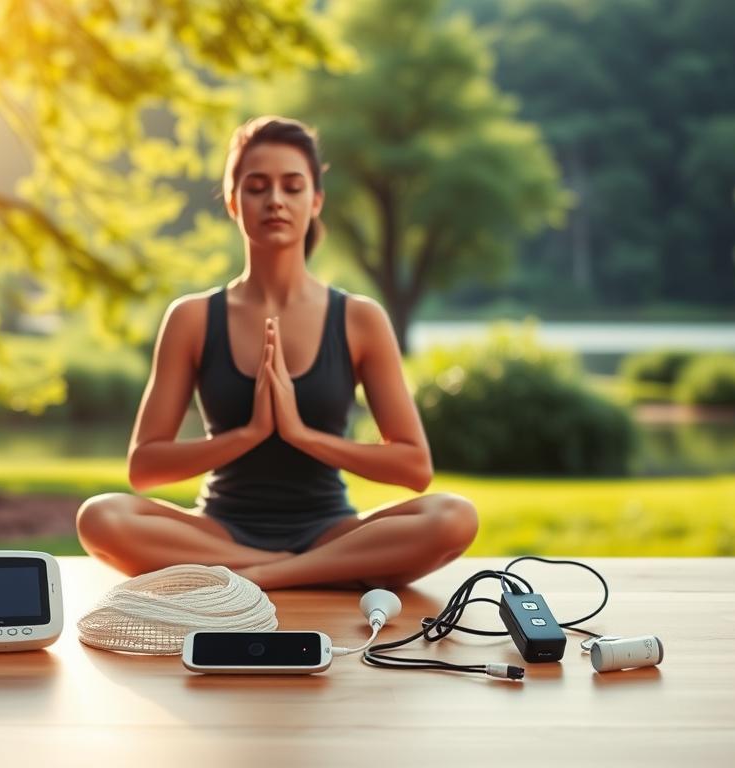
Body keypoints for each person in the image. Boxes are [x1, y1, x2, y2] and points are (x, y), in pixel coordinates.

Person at [75, 116, 478, 590]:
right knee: (100, 517)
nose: (275, 201)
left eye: (292, 186)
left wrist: (301, 434)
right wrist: (251, 433)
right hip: (220, 530)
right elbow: (145, 467)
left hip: (331, 530)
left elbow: (414, 467)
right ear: (232, 201)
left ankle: (260, 577)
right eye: (257, 187)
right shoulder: (193, 318)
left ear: (316, 201)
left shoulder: (359, 319)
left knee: (454, 517)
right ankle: (301, 571)